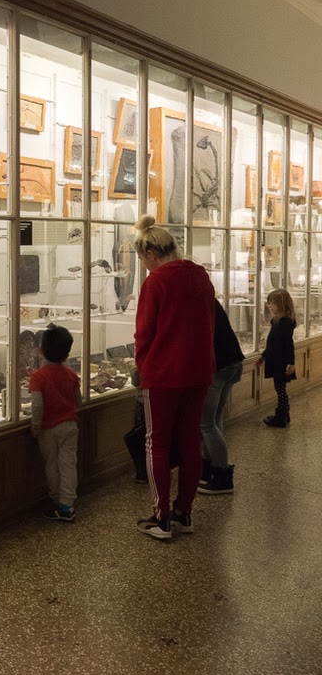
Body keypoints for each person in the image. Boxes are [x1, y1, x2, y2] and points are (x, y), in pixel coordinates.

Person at [133, 215, 216, 541]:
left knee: (157, 441)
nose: (144, 265)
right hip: (198, 370)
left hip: (164, 373)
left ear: (151, 254)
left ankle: (161, 517)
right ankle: (184, 512)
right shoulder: (201, 276)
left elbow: (144, 332)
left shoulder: (156, 282)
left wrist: (143, 366)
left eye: (142, 259)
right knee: (190, 439)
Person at [29, 324, 80, 521]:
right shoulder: (71, 374)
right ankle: (67, 504)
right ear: (67, 354)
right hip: (70, 425)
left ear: (41, 350)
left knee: (52, 465)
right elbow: (79, 399)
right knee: (68, 464)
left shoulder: (38, 377)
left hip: (49, 429)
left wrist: (36, 425)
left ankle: (57, 500)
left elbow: (37, 406)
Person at [197, 301, 244, 494]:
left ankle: (222, 475)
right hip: (232, 363)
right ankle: (209, 469)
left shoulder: (197, 306)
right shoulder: (210, 302)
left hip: (218, 367)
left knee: (206, 424)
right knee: (215, 420)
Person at [256, 288, 296, 428]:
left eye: (271, 303)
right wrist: (263, 356)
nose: (269, 306)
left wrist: (291, 362)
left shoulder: (285, 323)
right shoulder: (277, 321)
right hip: (276, 360)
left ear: (281, 303)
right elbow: (273, 343)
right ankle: (284, 414)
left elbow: (288, 344)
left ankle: (281, 417)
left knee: (280, 389)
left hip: (281, 363)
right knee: (280, 389)